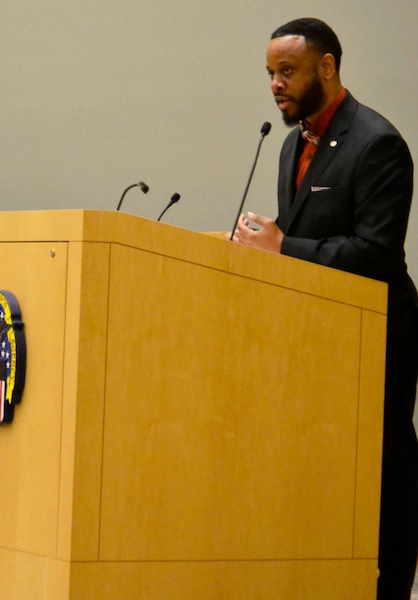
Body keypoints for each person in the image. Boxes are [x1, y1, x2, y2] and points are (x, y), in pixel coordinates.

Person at [235, 18, 418, 599]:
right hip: (314, 336)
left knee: (385, 471)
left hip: (379, 335)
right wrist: (266, 241)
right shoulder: (292, 142)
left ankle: (391, 588)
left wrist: (283, 245)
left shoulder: (378, 143)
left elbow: (376, 252)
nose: (275, 84)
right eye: (270, 74)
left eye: (286, 71)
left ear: (328, 66)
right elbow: (306, 234)